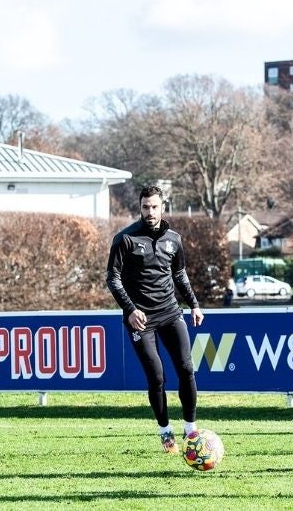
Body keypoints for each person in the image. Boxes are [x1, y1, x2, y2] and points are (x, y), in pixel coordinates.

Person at [107, 185, 205, 453]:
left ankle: (190, 429)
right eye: (145, 207)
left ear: (163, 207)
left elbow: (180, 274)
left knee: (186, 368)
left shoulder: (174, 239)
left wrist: (194, 305)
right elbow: (112, 279)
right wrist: (130, 310)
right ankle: (165, 432)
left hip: (171, 312)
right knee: (157, 377)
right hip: (141, 320)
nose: (149, 212)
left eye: (154, 207)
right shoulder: (125, 239)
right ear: (139, 208)